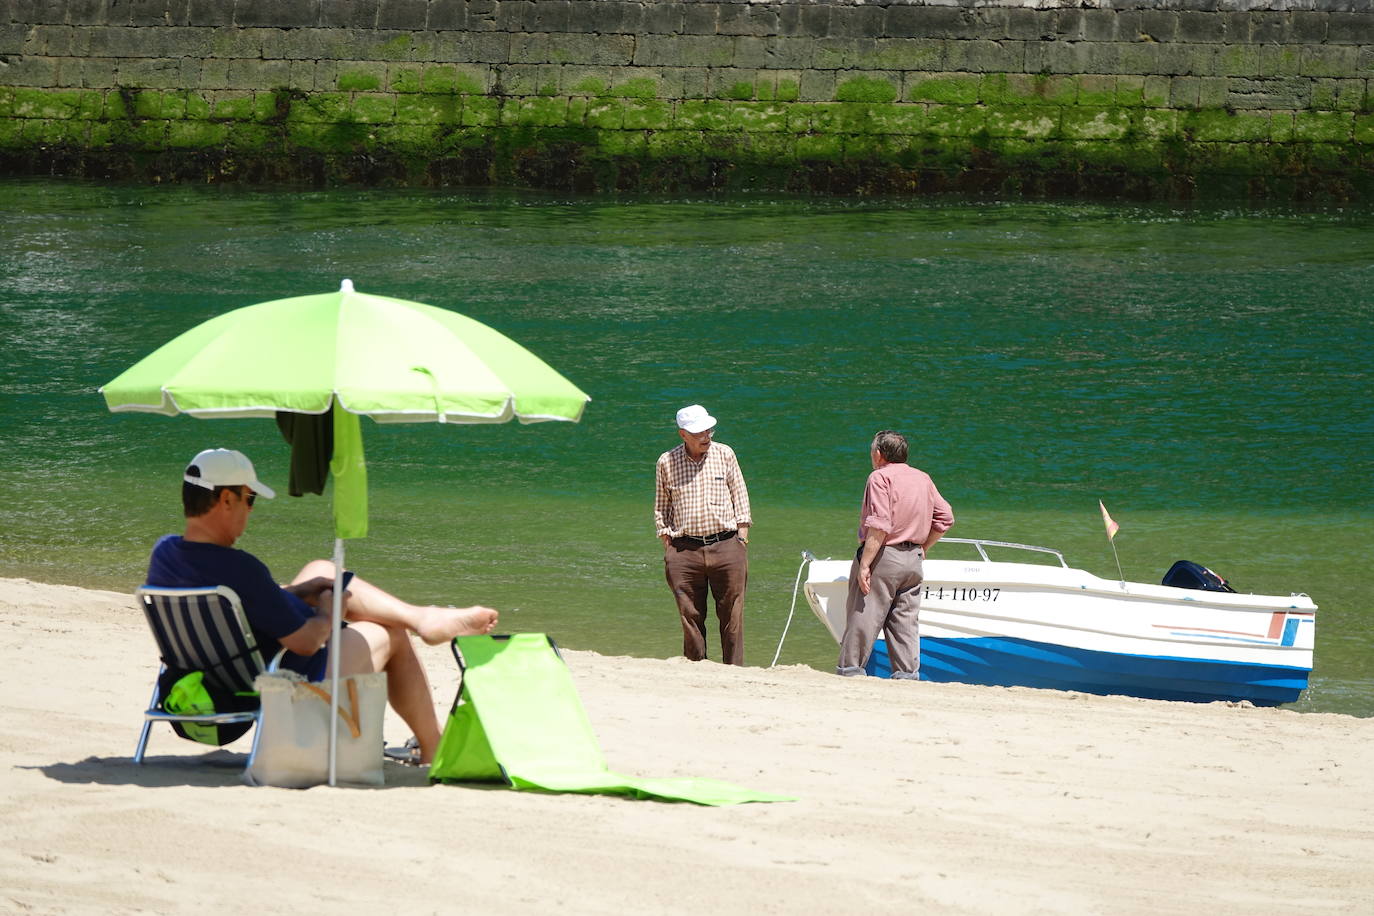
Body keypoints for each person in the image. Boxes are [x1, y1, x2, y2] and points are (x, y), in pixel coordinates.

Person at [145, 448, 499, 764]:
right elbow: (306, 643)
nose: (250, 511)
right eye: (249, 499)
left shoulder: (165, 553)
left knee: (322, 570)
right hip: (287, 689)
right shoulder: (241, 568)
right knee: (390, 631)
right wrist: (331, 610)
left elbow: (238, 605)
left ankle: (422, 617)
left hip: (206, 685)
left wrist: (297, 592)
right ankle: (433, 742)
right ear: (225, 499)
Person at [837, 431, 954, 678]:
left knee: (864, 615)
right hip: (913, 560)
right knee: (906, 623)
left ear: (878, 454)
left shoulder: (879, 477)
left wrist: (866, 564)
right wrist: (924, 548)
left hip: (885, 556)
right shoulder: (923, 478)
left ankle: (850, 670)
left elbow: (879, 525)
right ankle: (907, 675)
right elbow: (946, 517)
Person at [654, 405, 752, 665]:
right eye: (699, 432)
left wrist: (741, 537)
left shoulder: (725, 454)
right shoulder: (666, 461)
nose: (706, 435)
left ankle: (734, 669)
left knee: (732, 616)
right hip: (684, 550)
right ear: (683, 434)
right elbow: (661, 506)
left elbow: (740, 495)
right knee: (690, 616)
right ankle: (696, 668)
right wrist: (667, 542)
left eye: (708, 429)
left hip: (727, 544)